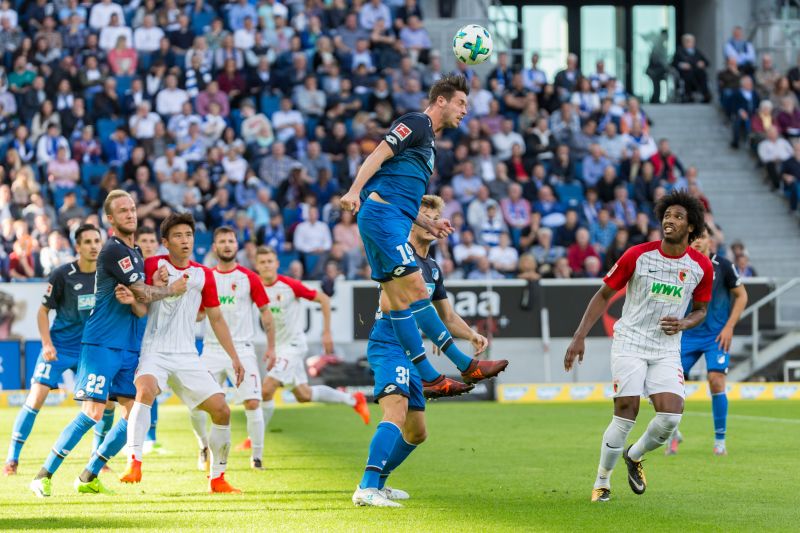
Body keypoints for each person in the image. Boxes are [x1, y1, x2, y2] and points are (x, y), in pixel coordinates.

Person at [339, 75, 507, 397]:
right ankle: (464, 364)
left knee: (399, 300)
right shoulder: (416, 123)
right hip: (382, 217)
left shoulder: (430, 145)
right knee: (416, 287)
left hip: (391, 217)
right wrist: (354, 190)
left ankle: (429, 376)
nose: (465, 111)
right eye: (461, 103)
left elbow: (399, 193)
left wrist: (427, 225)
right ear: (441, 101)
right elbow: (378, 153)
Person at [29, 190, 187, 498]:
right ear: (110, 219)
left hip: (128, 346)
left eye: (132, 208)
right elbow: (144, 293)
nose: (131, 214)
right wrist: (167, 290)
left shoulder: (137, 253)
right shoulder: (113, 250)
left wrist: (140, 296)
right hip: (101, 343)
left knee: (134, 412)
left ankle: (89, 474)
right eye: (123, 211)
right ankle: (43, 474)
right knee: (93, 412)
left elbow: (141, 306)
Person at [564, 190, 713, 502]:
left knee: (671, 418)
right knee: (626, 412)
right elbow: (603, 295)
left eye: (678, 217)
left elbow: (701, 309)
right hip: (630, 341)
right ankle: (602, 481)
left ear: (691, 227)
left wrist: (684, 323)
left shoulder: (701, 267)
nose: (669, 220)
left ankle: (634, 455)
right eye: (667, 215)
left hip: (666, 348)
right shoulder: (638, 255)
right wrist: (579, 336)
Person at [353, 195, 489, 507]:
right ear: (415, 220)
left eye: (435, 213)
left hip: (413, 354)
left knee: (416, 433)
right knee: (395, 411)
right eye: (424, 212)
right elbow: (389, 305)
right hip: (390, 345)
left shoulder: (433, 268)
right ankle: (366, 488)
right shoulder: (397, 254)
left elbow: (447, 316)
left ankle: (377, 484)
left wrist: (471, 334)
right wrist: (432, 332)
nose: (430, 219)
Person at [118, 213, 244, 494]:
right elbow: (139, 299)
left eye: (188, 235)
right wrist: (158, 283)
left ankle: (217, 478)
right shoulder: (153, 264)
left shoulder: (204, 274)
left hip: (187, 355)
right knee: (145, 390)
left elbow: (216, 318)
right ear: (165, 242)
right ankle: (134, 461)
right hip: (155, 350)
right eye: (177, 236)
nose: (184, 240)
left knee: (222, 410)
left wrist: (235, 356)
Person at [233, 245, 370, 453]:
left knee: (266, 389)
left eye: (270, 261)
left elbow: (323, 299)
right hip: (278, 349)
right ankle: (353, 399)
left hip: (294, 346)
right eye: (262, 262)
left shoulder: (289, 285)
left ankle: (254, 439)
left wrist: (326, 332)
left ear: (277, 264)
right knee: (303, 395)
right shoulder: (255, 287)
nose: (267, 266)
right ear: (256, 266)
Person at [4, 225, 101, 475]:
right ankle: (12, 459)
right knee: (36, 398)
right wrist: (46, 343)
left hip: (88, 350)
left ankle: (99, 456)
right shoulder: (62, 274)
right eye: (87, 242)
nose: (93, 246)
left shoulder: (106, 275)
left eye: (96, 241)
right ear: (77, 247)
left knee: (104, 404)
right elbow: (42, 311)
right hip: (59, 346)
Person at [189, 227, 275, 471]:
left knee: (252, 403)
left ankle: (257, 457)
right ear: (214, 247)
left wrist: (271, 347)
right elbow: (198, 315)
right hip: (211, 350)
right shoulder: (207, 278)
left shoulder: (249, 277)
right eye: (222, 242)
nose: (227, 245)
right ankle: (203, 445)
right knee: (196, 405)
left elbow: (266, 314)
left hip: (243, 349)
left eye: (231, 241)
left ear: (236, 246)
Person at [667, 224, 748, 457]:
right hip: (688, 334)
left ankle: (719, 442)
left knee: (715, 380)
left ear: (710, 240)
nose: (697, 241)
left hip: (715, 336)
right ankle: (673, 434)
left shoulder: (723, 266)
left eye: (701, 237)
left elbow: (742, 296)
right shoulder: (680, 264)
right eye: (693, 237)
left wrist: (729, 327)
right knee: (667, 384)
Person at [672, 33, 711, 103]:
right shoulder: (679, 52)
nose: (689, 43)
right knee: (688, 76)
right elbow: (674, 63)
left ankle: (705, 94)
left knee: (702, 75)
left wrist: (702, 63)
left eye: (691, 41)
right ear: (683, 42)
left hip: (697, 72)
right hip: (685, 73)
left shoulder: (697, 52)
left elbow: (707, 62)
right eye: (687, 41)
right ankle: (688, 95)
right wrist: (682, 65)